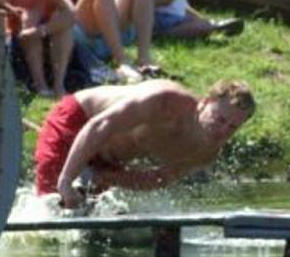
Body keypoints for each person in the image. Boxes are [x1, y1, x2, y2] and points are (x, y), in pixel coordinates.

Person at [35, 78, 256, 208]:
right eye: (220, 119)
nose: (222, 130)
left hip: (108, 160)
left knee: (85, 221)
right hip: (78, 123)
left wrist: (108, 178)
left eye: (232, 128)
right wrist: (66, 180)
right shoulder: (165, 101)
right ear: (206, 102)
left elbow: (159, 178)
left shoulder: (206, 152)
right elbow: (99, 125)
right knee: (50, 203)